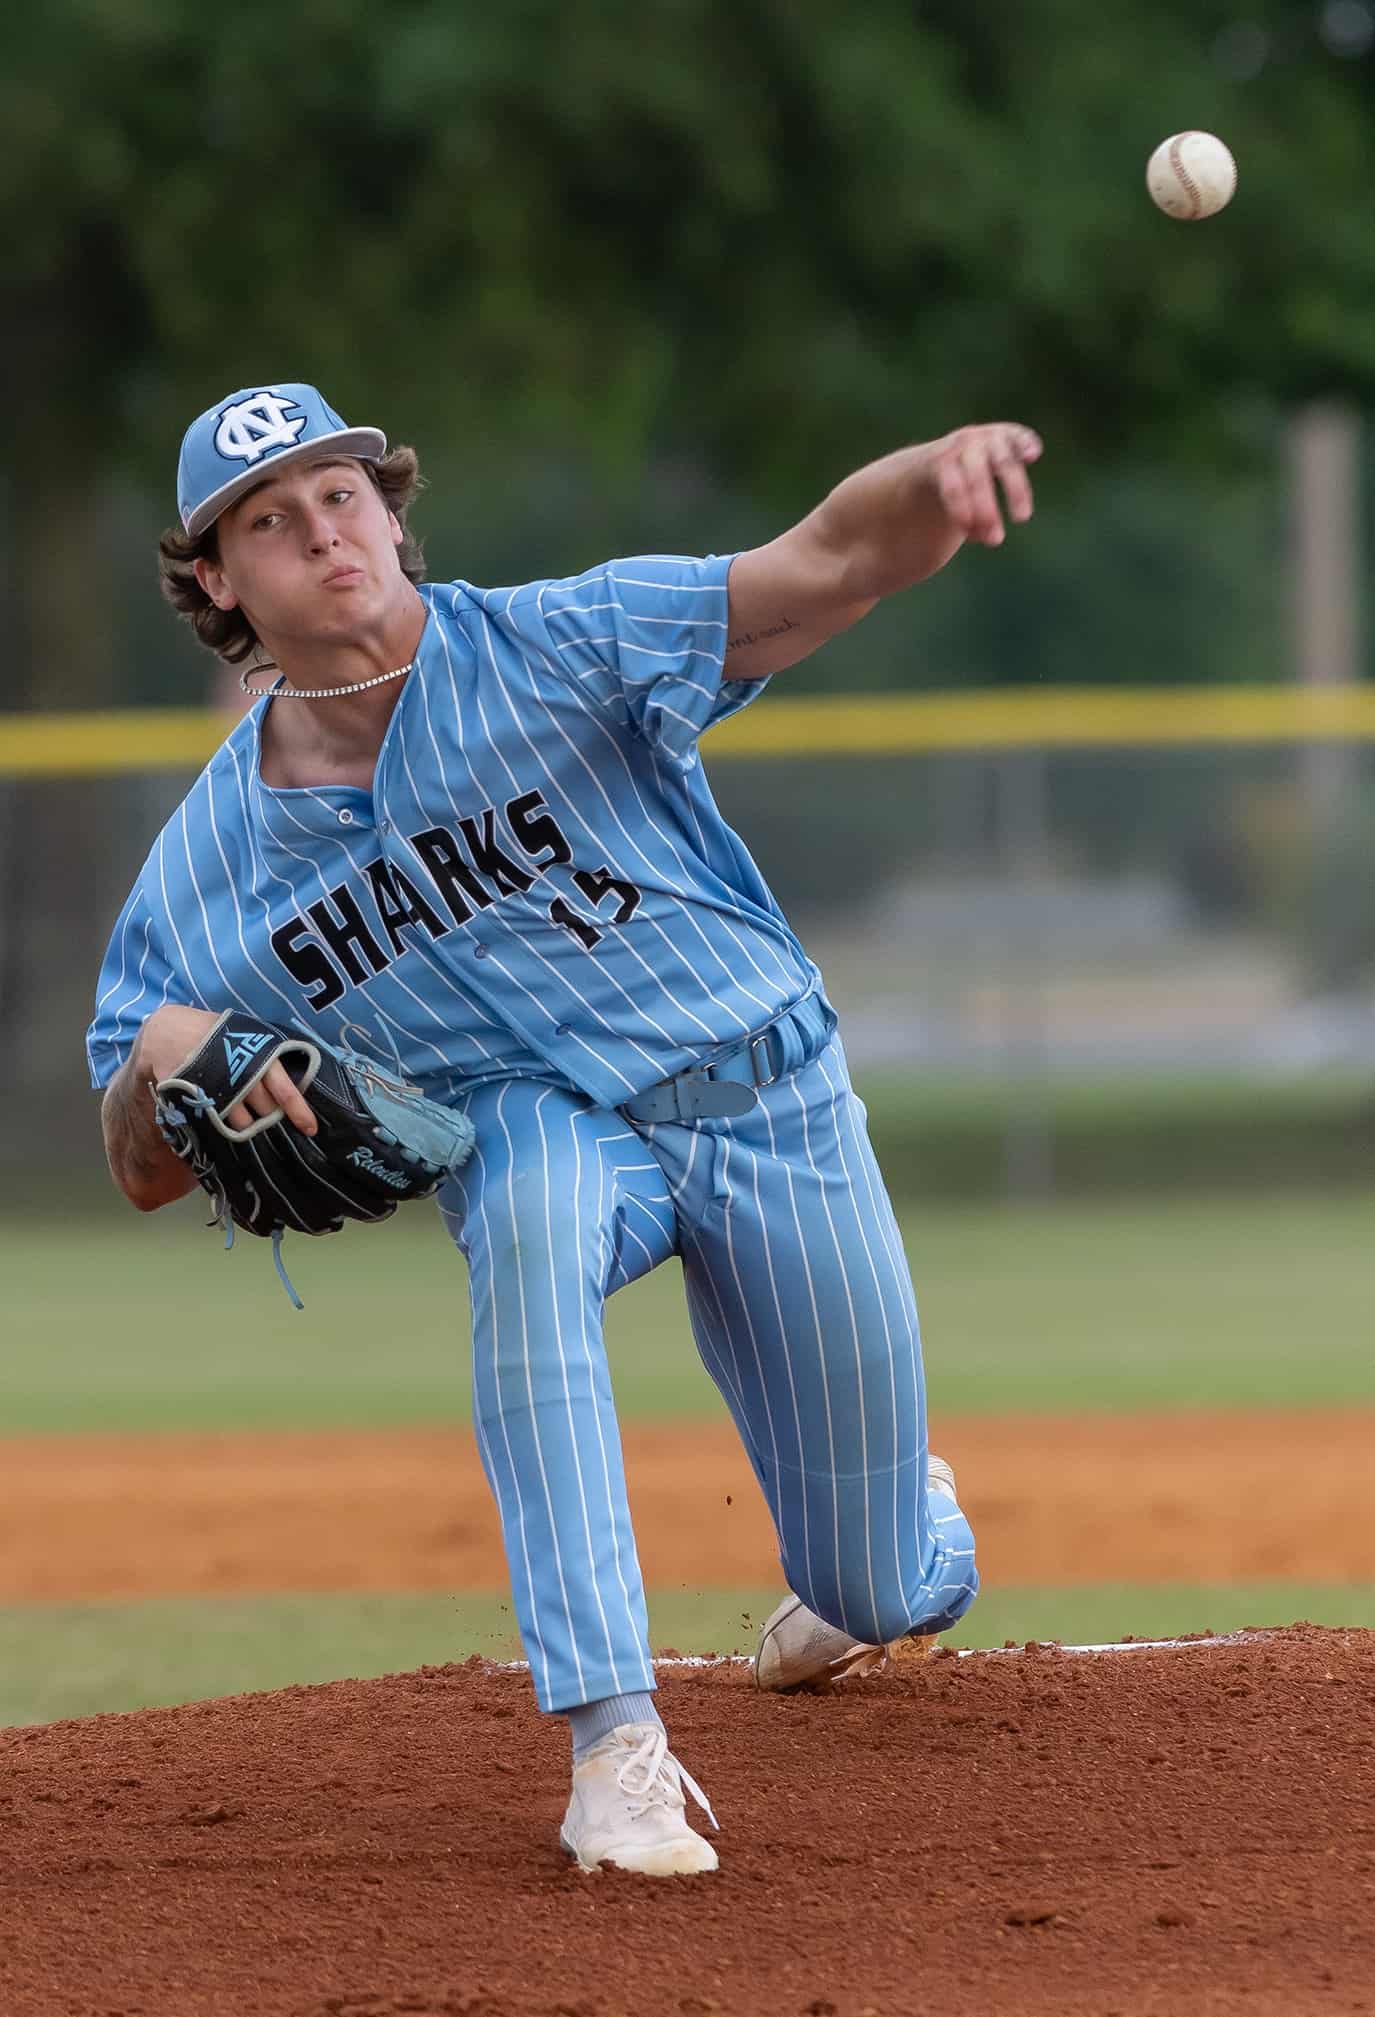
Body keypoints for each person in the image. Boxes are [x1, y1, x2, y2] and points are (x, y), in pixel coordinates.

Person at [89, 382, 1040, 1878]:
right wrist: (157, 1056)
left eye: (341, 494)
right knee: (520, 1227)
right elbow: (137, 1162)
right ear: (216, 578)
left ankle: (892, 1544)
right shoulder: (207, 863)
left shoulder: (556, 641)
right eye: (269, 520)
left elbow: (822, 565)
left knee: (876, 1579)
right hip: (542, 1127)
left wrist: (935, 480)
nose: (322, 533)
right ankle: (615, 1744)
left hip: (759, 1090)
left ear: (391, 508)